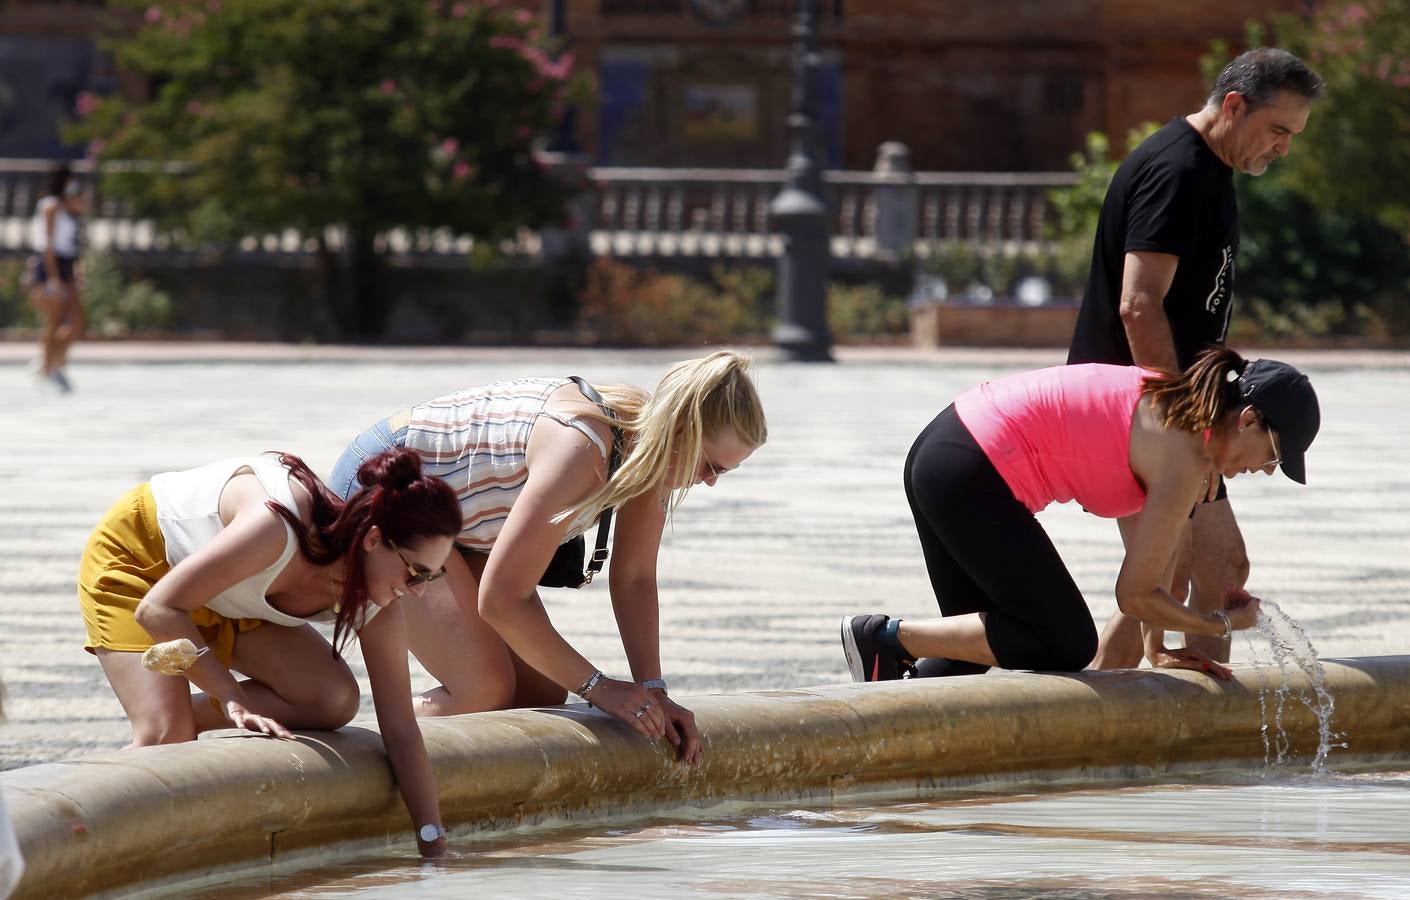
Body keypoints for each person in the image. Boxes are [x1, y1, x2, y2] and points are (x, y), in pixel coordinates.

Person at [328, 350, 767, 765]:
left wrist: (653, 690)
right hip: (388, 492)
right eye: (710, 466)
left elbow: (633, 577)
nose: (709, 482)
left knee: (540, 695)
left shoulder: (652, 447)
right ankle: (359, 749)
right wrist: (600, 688)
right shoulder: (581, 447)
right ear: (681, 432)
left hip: (461, 519)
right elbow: (501, 600)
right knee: (483, 690)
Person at [841, 348, 1320, 683]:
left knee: (973, 652)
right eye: (1275, 455)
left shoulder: (1187, 424)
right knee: (1064, 641)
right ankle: (881, 634)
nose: (1266, 470)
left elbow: (1158, 561)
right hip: (968, 466)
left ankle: (878, 698)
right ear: (1249, 420)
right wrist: (1220, 625)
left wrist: (1157, 650)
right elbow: (1134, 595)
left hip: (947, 449)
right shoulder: (1185, 458)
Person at [1066, 48, 1323, 668]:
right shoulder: (1178, 171)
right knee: (1165, 578)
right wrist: (1186, 428)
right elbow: (1139, 304)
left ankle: (1194, 727)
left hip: (1168, 409)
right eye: (1278, 130)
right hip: (1135, 411)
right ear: (1234, 106)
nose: (1283, 148)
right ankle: (1106, 720)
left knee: (1215, 564)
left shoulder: (1207, 170)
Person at [78, 448, 462, 857]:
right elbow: (158, 609)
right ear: (372, 539)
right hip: (144, 563)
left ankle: (171, 706)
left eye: (433, 575)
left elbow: (401, 730)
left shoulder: (382, 606)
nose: (419, 589)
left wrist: (431, 839)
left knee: (332, 700)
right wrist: (230, 695)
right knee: (167, 739)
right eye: (416, 572)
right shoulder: (275, 527)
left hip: (226, 595)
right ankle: (155, 723)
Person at [28, 162, 86, 393]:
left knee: (76, 322)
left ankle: (49, 362)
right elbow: (48, 245)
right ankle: (49, 366)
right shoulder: (50, 206)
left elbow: (81, 221)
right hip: (52, 265)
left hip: (67, 263)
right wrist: (53, 278)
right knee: (55, 320)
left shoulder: (68, 206)